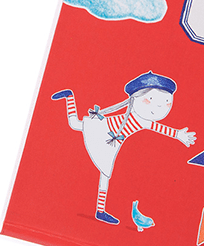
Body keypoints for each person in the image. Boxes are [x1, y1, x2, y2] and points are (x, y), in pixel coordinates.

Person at [52, 71, 196, 226]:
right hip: (106, 129)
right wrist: (177, 134)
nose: (159, 108)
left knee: (105, 174)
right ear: (135, 99)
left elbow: (158, 127)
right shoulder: (140, 118)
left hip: (112, 141)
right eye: (150, 100)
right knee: (75, 125)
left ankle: (100, 211)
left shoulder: (144, 120)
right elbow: (158, 127)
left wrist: (178, 134)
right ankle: (69, 96)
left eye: (166, 103)